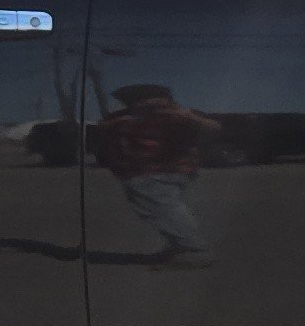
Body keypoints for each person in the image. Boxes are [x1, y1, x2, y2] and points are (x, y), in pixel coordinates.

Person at [93, 82, 223, 266]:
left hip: (159, 170)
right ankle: (180, 245)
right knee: (155, 208)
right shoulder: (127, 117)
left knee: (164, 208)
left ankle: (194, 249)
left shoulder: (170, 114)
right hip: (142, 171)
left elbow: (210, 127)